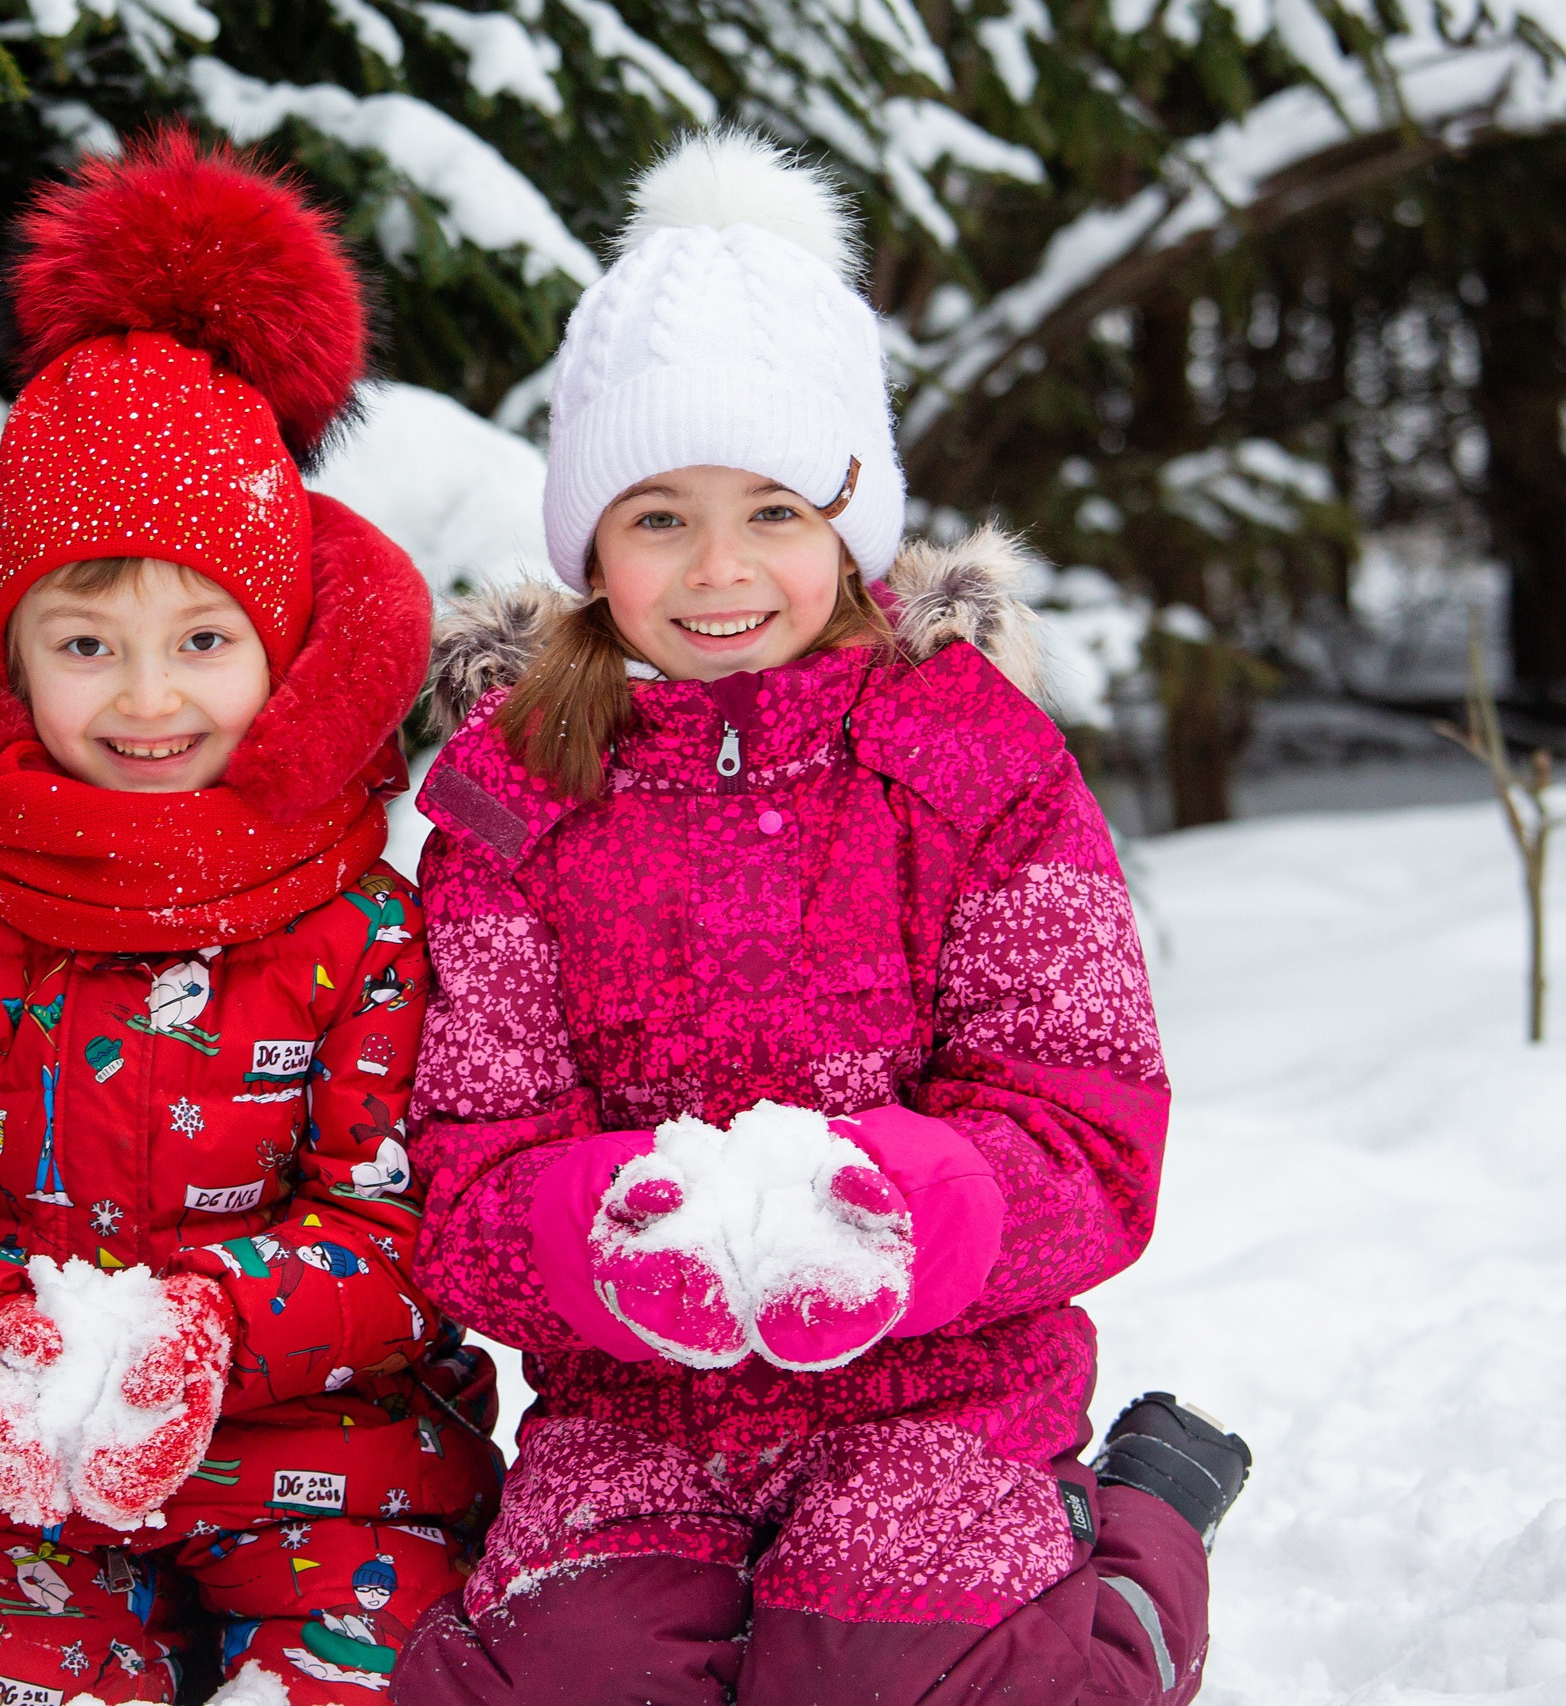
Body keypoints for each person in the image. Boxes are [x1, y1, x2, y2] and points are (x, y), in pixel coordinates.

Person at [390, 130, 1251, 1706]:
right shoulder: (513, 800)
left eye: (776, 511)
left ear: (849, 521)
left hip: (943, 1390)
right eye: (658, 517)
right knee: (552, 1681)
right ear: (589, 540)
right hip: (631, 1420)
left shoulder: (972, 758)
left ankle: (1137, 1548)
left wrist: (916, 1209)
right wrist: (608, 1239)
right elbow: (464, 1168)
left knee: (904, 1673)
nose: (720, 570)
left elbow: (1090, 1122)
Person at [0, 133, 498, 1706]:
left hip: (334, 1482)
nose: (151, 695)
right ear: (11, 650)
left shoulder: (367, 925)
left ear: (285, 644)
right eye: (89, 640)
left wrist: (215, 1333)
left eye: (202, 636)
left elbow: (409, 1229)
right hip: (8, 1483)